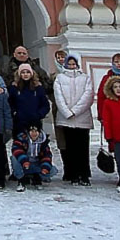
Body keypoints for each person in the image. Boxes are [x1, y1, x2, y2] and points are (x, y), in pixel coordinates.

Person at [53, 53, 94, 186]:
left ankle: (84, 174)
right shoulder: (59, 78)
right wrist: (66, 112)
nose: (71, 66)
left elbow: (88, 95)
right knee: (70, 148)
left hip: (82, 118)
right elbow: (58, 96)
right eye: (69, 64)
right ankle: (73, 174)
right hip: (66, 119)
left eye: (73, 64)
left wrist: (75, 111)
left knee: (83, 148)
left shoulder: (85, 78)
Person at [8, 63, 51, 136]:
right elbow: (10, 103)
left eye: (28, 72)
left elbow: (45, 105)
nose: (25, 74)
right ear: (19, 74)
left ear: (31, 74)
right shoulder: (14, 88)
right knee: (19, 145)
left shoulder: (38, 88)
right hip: (19, 122)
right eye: (23, 72)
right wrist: (15, 113)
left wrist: (39, 114)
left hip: (35, 122)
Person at [11, 124, 57, 191]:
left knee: (53, 170)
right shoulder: (21, 139)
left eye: (36, 131)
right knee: (14, 158)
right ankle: (21, 180)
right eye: (32, 131)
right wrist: (24, 161)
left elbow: (47, 156)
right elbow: (17, 150)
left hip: (36, 164)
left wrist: (45, 167)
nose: (34, 134)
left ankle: (37, 177)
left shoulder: (43, 142)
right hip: (24, 164)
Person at [49, 50, 68, 179]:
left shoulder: (78, 74)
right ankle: (67, 168)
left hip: (76, 113)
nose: (61, 59)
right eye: (58, 57)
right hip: (58, 111)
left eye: (63, 57)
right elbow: (49, 91)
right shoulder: (53, 76)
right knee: (62, 141)